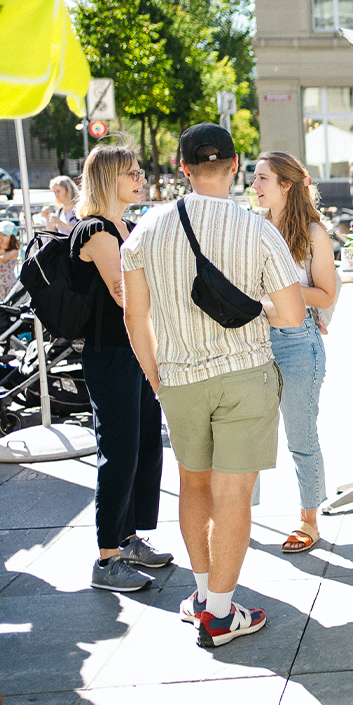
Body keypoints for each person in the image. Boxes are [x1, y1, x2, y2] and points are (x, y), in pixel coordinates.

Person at [122, 123, 304, 647]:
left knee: (193, 484)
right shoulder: (256, 229)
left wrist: (157, 377)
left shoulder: (147, 229)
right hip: (244, 375)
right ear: (235, 164)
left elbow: (137, 318)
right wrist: (255, 304)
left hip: (177, 376)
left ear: (182, 168)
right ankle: (221, 615)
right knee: (234, 496)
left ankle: (202, 596)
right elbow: (292, 316)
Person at [73, 144, 169, 593]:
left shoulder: (127, 226)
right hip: (109, 352)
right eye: (130, 172)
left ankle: (128, 538)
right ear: (108, 178)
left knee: (146, 442)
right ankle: (106, 557)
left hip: (137, 347)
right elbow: (121, 294)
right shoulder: (95, 231)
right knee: (119, 449)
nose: (140, 177)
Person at [252, 151, 338, 554]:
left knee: (300, 434)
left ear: (286, 185)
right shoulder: (251, 227)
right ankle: (239, 514)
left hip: (298, 342)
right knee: (246, 434)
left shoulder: (312, 233)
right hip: (252, 341)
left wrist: (282, 287)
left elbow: (326, 293)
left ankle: (309, 519)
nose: (254, 186)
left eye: (262, 178)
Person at [0, 221, 20, 300]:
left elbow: (2, 259)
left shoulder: (14, 251)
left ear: (11, 237)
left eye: (4, 235)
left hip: (7, 285)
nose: (1, 237)